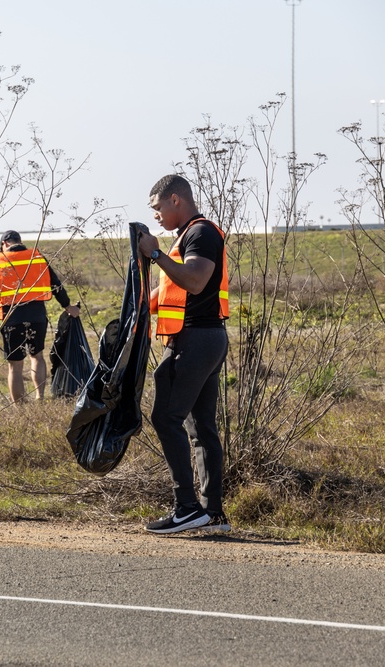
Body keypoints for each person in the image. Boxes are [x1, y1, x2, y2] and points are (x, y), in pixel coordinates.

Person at [137, 174, 230, 535]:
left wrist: (155, 253)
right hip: (203, 339)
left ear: (176, 200)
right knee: (199, 428)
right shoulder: (186, 236)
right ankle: (212, 514)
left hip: (197, 341)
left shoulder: (201, 233)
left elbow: (194, 280)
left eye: (158, 207)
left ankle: (187, 508)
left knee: (165, 417)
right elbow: (173, 293)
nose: (157, 216)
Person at [0, 230, 80, 403]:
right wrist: (67, 306)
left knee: (15, 365)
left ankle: (19, 407)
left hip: (12, 319)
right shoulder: (37, 257)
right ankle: (39, 398)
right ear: (19, 241)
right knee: (37, 356)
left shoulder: (0, 260)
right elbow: (56, 284)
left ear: (4, 243)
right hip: (37, 317)